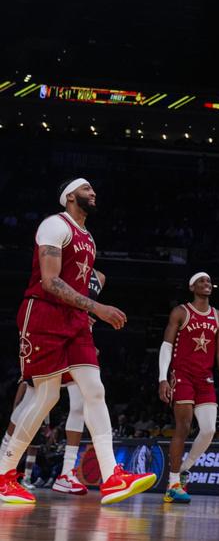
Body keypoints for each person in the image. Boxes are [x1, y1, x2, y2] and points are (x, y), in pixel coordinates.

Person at [0, 178, 155, 504]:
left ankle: (112, 476)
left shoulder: (88, 237)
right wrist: (96, 306)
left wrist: (87, 312)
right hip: (43, 315)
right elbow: (50, 281)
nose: (94, 193)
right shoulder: (55, 225)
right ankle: (4, 474)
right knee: (45, 397)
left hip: (75, 321)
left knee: (94, 390)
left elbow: (81, 284)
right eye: (87, 189)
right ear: (69, 196)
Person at [0, 269, 107, 496]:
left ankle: (67, 473)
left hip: (78, 338)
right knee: (31, 399)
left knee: (80, 403)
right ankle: (4, 465)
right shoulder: (59, 266)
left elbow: (86, 306)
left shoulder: (100, 277)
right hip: (51, 333)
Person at [158, 272, 219, 503]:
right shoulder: (181, 312)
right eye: (202, 281)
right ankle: (173, 484)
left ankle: (183, 469)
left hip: (205, 378)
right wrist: (162, 378)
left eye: (209, 281)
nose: (207, 284)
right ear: (192, 287)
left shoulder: (218, 317)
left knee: (209, 429)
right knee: (183, 427)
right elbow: (166, 345)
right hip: (182, 375)